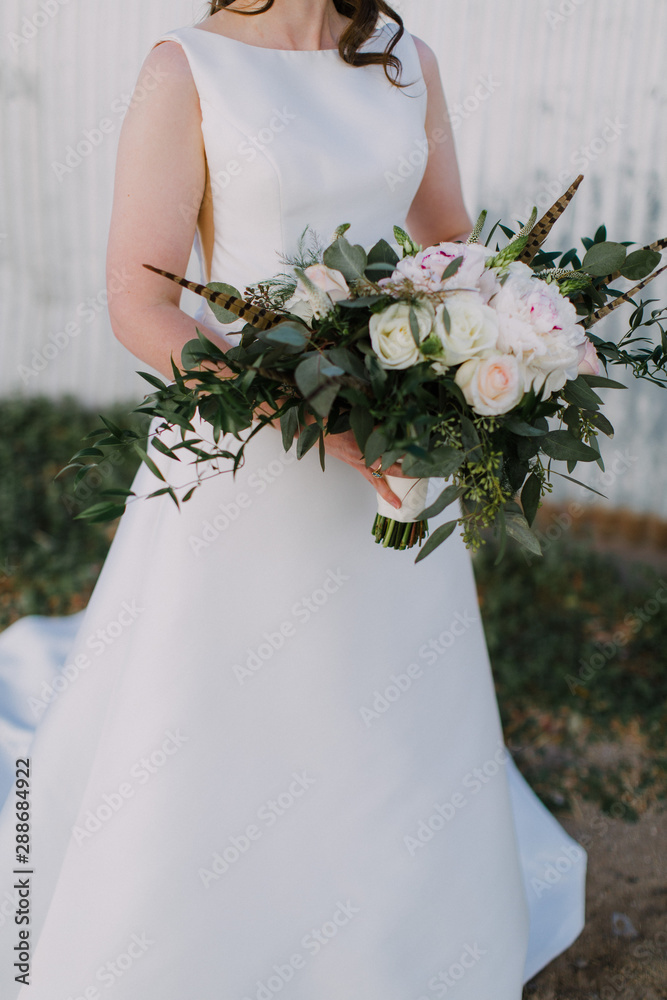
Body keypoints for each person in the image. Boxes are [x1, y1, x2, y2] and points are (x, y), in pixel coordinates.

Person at [0, 2, 586, 997]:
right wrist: (303, 408)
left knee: (393, 707)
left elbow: (445, 240)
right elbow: (139, 300)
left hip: (395, 440)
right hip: (247, 453)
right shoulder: (186, 69)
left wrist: (478, 349)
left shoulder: (407, 59)